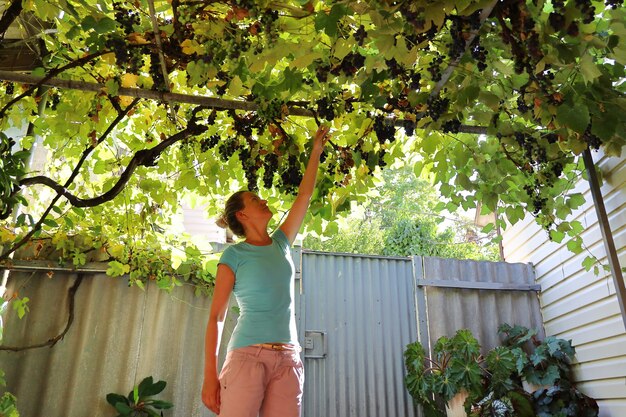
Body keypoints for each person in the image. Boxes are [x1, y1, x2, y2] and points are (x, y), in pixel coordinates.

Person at [201, 124, 331, 417]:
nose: (264, 200)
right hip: (247, 356)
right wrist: (210, 376)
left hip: (288, 360)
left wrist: (316, 152)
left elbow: (304, 197)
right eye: (255, 200)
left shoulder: (282, 243)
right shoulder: (234, 255)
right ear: (242, 215)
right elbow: (216, 317)